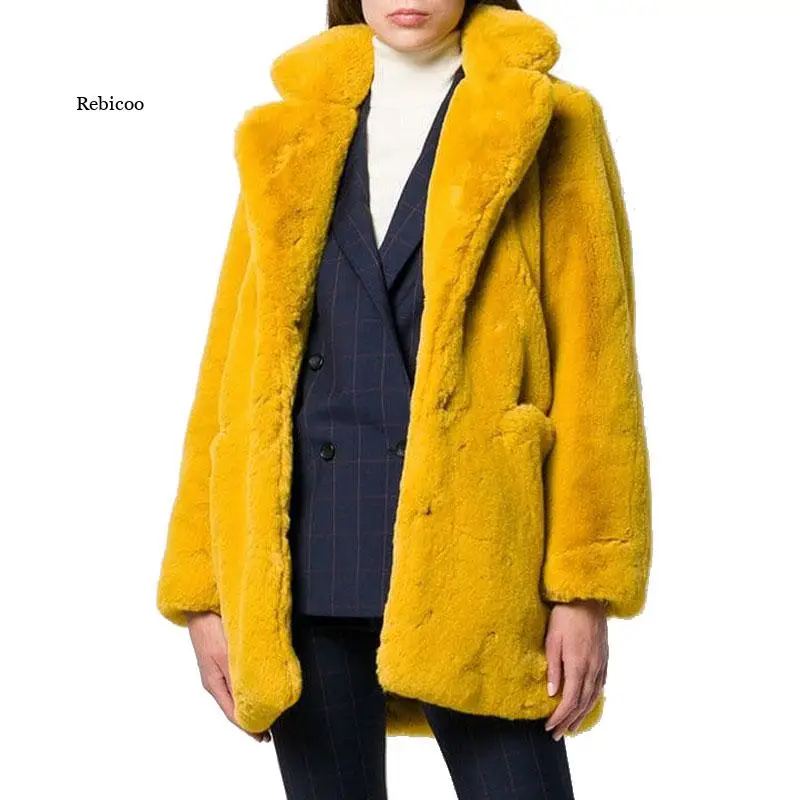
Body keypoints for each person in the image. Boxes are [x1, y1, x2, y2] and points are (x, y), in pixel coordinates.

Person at [156, 1, 652, 797]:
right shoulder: (295, 124)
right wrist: (206, 588)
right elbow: (231, 362)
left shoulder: (548, 115)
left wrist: (584, 590)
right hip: (307, 550)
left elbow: (597, 363)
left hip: (481, 548)